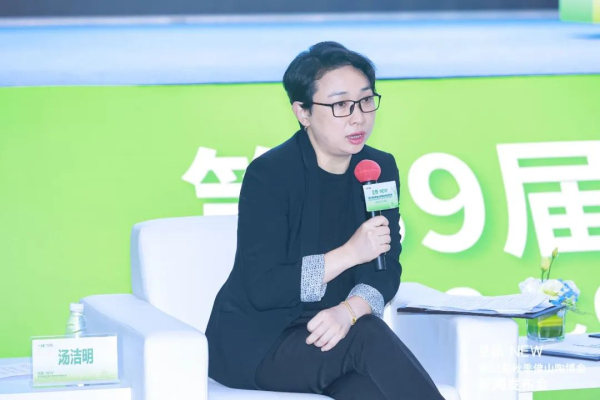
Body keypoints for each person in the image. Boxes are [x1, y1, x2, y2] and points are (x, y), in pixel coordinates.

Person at [205, 41, 444, 400]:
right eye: (340, 105)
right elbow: (264, 287)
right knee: (369, 335)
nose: (358, 117)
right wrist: (349, 253)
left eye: (366, 100)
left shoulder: (377, 169)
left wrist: (348, 312)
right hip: (260, 343)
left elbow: (386, 268)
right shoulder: (270, 176)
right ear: (303, 112)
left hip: (336, 333)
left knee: (369, 390)